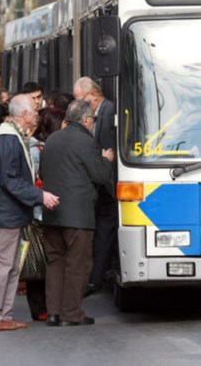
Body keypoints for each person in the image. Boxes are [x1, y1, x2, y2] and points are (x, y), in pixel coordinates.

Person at [0, 94, 59, 331]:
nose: (37, 114)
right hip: (6, 214)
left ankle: (2, 314)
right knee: (1, 266)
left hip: (10, 213)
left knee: (11, 267)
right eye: (34, 110)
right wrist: (39, 196)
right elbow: (10, 180)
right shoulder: (8, 140)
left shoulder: (11, 137)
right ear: (24, 114)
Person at [40, 100, 114, 326]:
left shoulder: (52, 140)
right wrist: (105, 160)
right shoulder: (87, 142)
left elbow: (42, 171)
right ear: (85, 120)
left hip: (52, 213)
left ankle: (53, 312)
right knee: (78, 264)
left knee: (55, 263)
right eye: (92, 120)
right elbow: (100, 176)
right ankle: (71, 314)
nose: (93, 124)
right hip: (78, 216)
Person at [72, 77, 117, 296]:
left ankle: (96, 277)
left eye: (81, 99)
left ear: (94, 95)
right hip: (102, 183)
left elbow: (109, 147)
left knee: (104, 229)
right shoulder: (97, 112)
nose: (79, 105)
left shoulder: (108, 112)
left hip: (108, 184)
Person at [25, 107, 65, 321]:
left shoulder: (37, 146)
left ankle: (43, 305)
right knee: (39, 258)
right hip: (39, 209)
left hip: (41, 208)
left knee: (42, 258)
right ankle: (40, 306)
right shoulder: (36, 149)